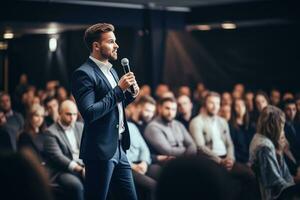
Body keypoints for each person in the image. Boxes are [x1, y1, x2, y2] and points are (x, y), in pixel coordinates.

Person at [71, 23, 139, 200]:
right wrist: (118, 90)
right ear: (96, 46)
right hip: (99, 150)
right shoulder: (84, 73)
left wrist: (130, 95)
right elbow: (90, 112)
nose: (117, 45)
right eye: (111, 42)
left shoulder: (113, 71)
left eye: (115, 41)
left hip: (119, 146)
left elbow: (114, 107)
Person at [249, 105, 300, 200]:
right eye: (281, 125)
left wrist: (280, 153)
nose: (282, 130)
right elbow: (275, 184)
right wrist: (296, 184)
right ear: (273, 126)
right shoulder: (264, 147)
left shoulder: (261, 138)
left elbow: (282, 175)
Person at [44, 100, 84, 200]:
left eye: (75, 114)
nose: (72, 118)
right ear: (60, 113)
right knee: (76, 185)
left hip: (83, 166)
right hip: (62, 171)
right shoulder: (51, 132)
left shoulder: (80, 126)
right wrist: (80, 169)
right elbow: (58, 157)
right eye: (68, 114)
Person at [144, 97, 197, 162]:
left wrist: (188, 154)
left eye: (173, 109)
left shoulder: (178, 124)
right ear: (160, 108)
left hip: (184, 160)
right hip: (166, 164)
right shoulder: (153, 127)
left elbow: (192, 144)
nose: (170, 112)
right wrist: (188, 151)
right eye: (167, 108)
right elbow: (168, 151)